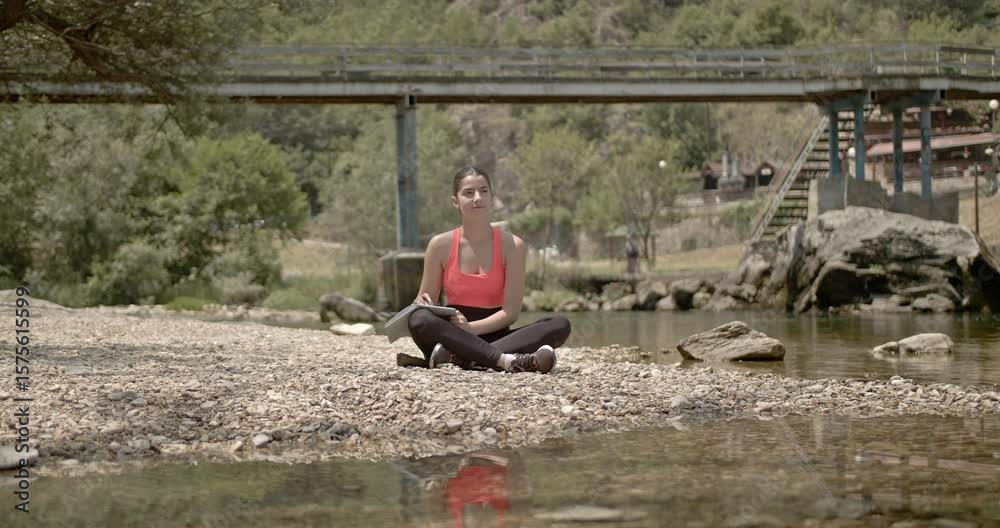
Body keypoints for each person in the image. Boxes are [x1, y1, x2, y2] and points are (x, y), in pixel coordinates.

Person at [408, 166, 571, 374]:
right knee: (419, 319)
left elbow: (510, 313)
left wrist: (471, 329)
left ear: (492, 197)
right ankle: (505, 360)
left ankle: (464, 359)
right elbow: (426, 302)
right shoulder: (439, 245)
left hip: (496, 335)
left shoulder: (513, 246)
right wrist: (421, 304)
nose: (478, 198)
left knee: (559, 324)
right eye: (469, 193)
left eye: (483, 191)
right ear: (455, 201)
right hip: (452, 336)